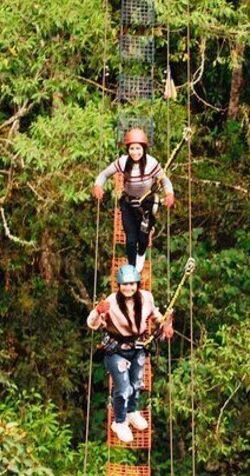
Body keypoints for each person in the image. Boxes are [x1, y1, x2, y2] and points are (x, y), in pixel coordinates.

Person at [87, 264, 174, 442]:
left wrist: (163, 323)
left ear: (137, 284)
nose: (128, 288)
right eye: (125, 284)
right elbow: (92, 324)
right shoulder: (110, 302)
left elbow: (154, 313)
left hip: (137, 347)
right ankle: (119, 422)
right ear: (119, 286)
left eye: (132, 284)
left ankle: (131, 412)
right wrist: (97, 311)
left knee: (137, 383)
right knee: (123, 388)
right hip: (115, 349)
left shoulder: (146, 298)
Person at [93, 128, 175, 273]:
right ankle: (132, 267)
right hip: (129, 204)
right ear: (128, 149)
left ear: (143, 149)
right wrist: (98, 185)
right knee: (131, 240)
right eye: (132, 148)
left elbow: (165, 180)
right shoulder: (123, 162)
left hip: (146, 205)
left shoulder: (151, 163)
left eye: (138, 148)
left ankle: (141, 254)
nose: (135, 152)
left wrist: (169, 193)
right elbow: (105, 174)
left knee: (143, 239)